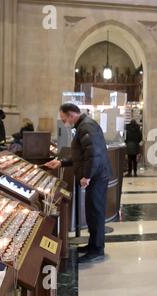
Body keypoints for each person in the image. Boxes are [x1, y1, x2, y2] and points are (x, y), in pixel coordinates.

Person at [46, 103, 112, 264]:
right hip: (97, 175)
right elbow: (82, 155)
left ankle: (97, 250)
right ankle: (92, 245)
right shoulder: (85, 125)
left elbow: (94, 155)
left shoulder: (85, 127)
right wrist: (61, 163)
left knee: (95, 212)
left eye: (64, 119)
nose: (64, 123)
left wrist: (87, 176)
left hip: (96, 177)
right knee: (91, 212)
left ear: (71, 115)